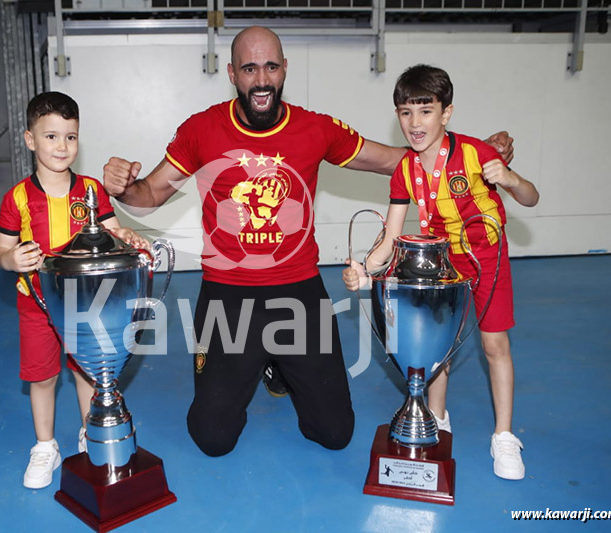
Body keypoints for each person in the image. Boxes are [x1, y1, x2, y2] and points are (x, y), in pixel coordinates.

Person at [102, 26, 515, 457]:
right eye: (249, 68)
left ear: (284, 70)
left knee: (334, 433)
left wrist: (473, 156)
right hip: (228, 294)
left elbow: (399, 160)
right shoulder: (201, 130)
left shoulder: (315, 128)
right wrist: (124, 189)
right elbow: (149, 195)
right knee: (212, 439)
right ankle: (262, 360)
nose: (261, 79)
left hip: (297, 291)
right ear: (231, 73)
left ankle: (276, 363)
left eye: (271, 67)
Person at [342, 64, 539, 480]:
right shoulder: (403, 171)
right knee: (437, 348)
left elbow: (530, 198)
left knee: (493, 346)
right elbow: (391, 237)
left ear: (446, 113)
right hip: (443, 262)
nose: (416, 123)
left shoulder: (474, 154)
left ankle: (504, 435)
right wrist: (365, 270)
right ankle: (436, 418)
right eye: (406, 112)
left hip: (487, 257)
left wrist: (510, 177)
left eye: (426, 111)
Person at [0, 91, 148, 489]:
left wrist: (128, 235)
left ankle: (88, 431)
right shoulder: (18, 198)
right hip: (37, 305)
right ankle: (45, 445)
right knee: (42, 377)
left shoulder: (93, 190)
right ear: (30, 139)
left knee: (89, 370)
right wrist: (11, 261)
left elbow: (114, 233)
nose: (62, 146)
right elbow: (0, 248)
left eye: (71, 137)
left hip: (89, 305)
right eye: (51, 136)